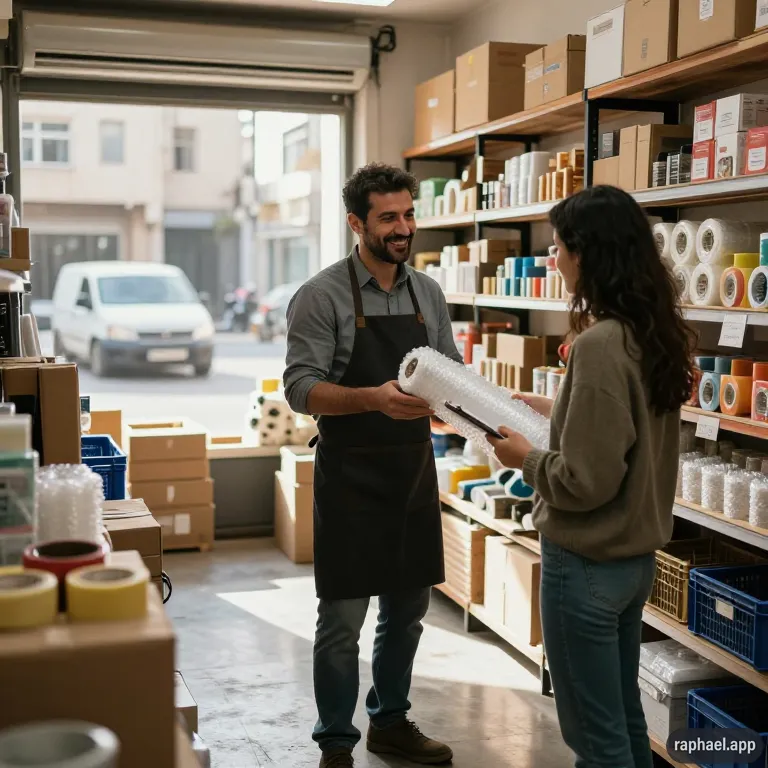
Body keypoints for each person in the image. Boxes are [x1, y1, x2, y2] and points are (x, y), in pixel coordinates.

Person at [488, 185, 693, 768]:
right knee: (622, 721)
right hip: (631, 563)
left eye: (557, 247)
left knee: (594, 738)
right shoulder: (647, 331)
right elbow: (626, 426)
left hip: (586, 563)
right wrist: (547, 408)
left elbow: (585, 480)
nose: (552, 260)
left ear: (587, 253)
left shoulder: (600, 343)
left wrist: (523, 458)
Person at [284, 163, 461, 768]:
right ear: (357, 222)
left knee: (407, 613)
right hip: (350, 476)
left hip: (411, 472)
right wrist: (373, 399)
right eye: (389, 217)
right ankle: (336, 741)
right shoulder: (321, 294)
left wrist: (463, 408)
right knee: (341, 621)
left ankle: (390, 721)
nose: (403, 228)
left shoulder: (427, 293)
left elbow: (450, 378)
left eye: (409, 214)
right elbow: (301, 389)